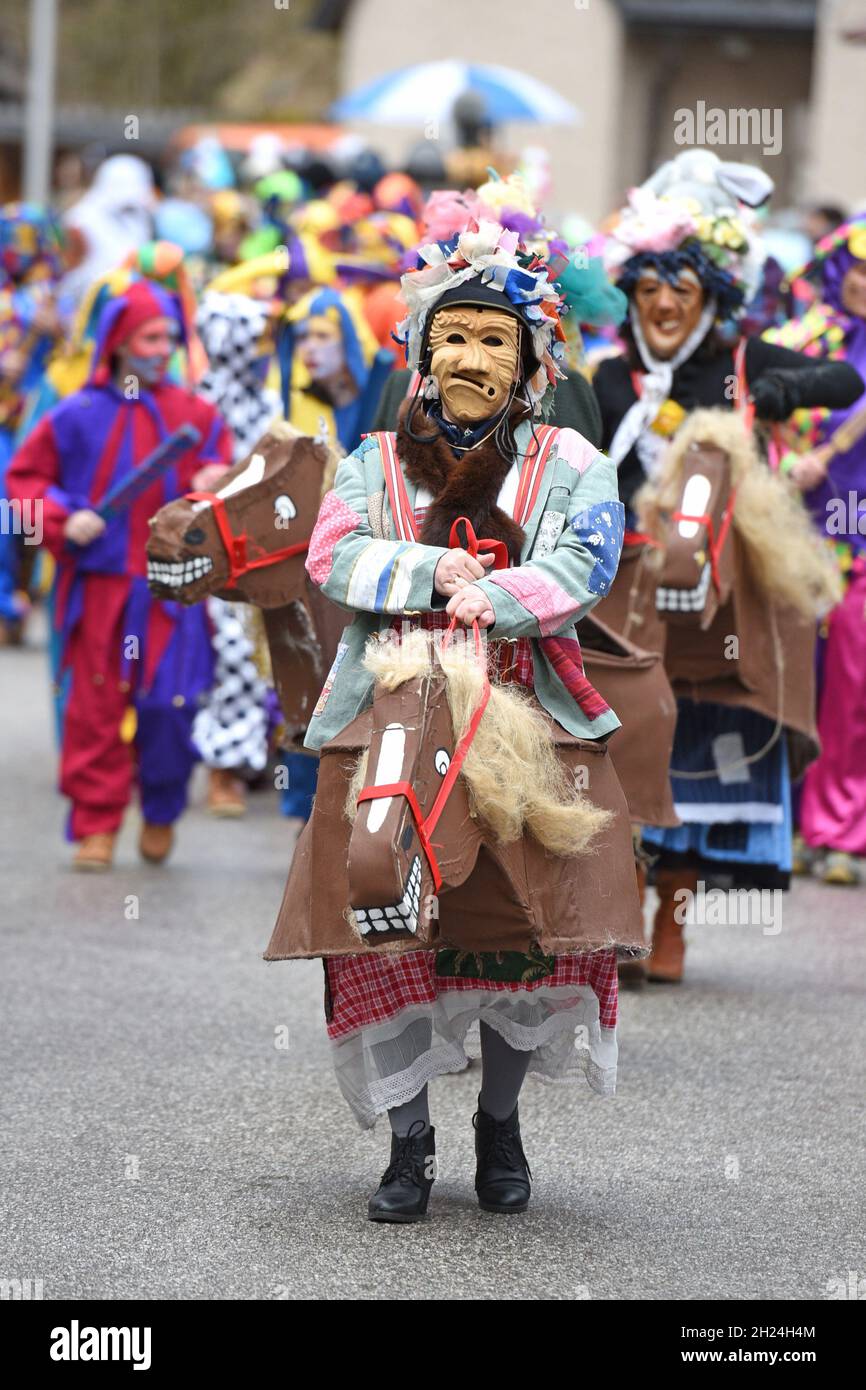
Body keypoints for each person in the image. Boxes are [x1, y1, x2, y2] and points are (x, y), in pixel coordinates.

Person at [264, 218, 643, 1222]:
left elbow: (586, 560)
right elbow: (330, 560)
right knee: (380, 925)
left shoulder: (571, 461)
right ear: (421, 354)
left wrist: (503, 595)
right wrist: (429, 569)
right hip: (388, 709)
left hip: (524, 714)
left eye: (493, 340)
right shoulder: (372, 461)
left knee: (524, 931)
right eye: (453, 336)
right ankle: (408, 1142)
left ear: (528, 363)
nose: (470, 356)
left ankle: (499, 1123)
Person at [593, 151, 863, 982]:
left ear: (712, 296)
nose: (666, 305)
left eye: (684, 290)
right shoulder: (605, 378)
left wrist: (775, 399)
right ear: (632, 297)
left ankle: (673, 928)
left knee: (704, 757)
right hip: (623, 599)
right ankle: (622, 920)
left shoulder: (743, 361)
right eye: (650, 291)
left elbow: (846, 378)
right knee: (624, 757)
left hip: (719, 607)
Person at [6, 281, 232, 871]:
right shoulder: (72, 415)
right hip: (100, 587)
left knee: (170, 706)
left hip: (171, 589)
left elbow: (232, 481)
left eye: (169, 338)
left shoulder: (198, 415)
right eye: (150, 338)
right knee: (93, 709)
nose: (163, 350)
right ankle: (97, 823)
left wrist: (218, 482)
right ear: (119, 343)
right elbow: (22, 485)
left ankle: (159, 808)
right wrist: (60, 516)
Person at [765, 214, 866, 884]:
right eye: (857, 269)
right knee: (794, 673)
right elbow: (762, 401)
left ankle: (841, 828)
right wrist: (792, 454)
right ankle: (790, 825)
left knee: (853, 683)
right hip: (799, 535)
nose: (864, 282)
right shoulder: (804, 338)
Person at [0, 203, 64, 643]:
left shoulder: (58, 294)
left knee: (34, 516)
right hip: (5, 424)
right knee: (7, 512)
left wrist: (59, 331)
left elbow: (88, 353)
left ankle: (29, 592)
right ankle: (7, 600)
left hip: (44, 424)